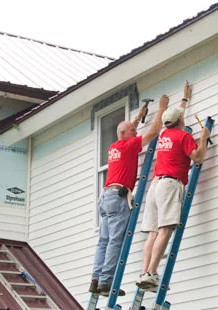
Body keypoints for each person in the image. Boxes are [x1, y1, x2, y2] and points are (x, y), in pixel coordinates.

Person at [90, 94, 169, 296]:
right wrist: (161, 109)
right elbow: (154, 131)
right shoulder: (128, 145)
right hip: (118, 197)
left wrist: (137, 117)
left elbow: (125, 131)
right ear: (125, 134)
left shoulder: (114, 146)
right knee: (116, 240)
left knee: (104, 241)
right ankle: (106, 283)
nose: (136, 132)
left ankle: (96, 278)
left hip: (105, 197)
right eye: (133, 130)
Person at [136, 81, 211, 291]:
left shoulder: (165, 135)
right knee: (165, 229)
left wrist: (185, 100)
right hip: (170, 184)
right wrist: (203, 138)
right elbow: (197, 157)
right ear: (180, 120)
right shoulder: (184, 136)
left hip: (155, 185)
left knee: (152, 232)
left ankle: (145, 272)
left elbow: (176, 117)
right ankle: (152, 273)